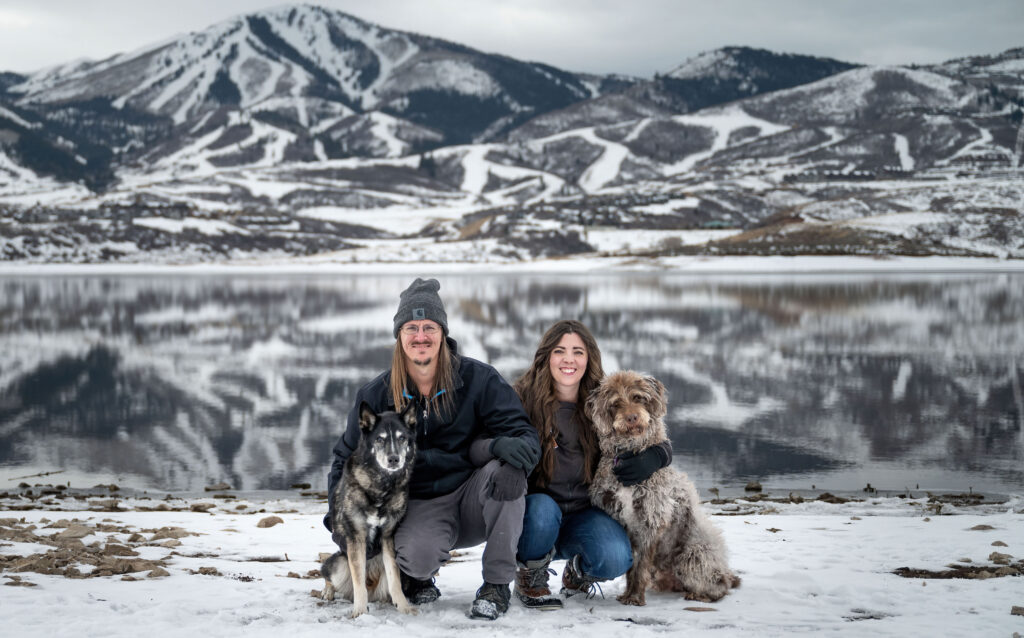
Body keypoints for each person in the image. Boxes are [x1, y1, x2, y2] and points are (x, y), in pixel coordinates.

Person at [324, 278, 541, 620]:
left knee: (506, 473)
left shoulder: (479, 380)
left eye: (429, 327)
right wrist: (337, 520)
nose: (420, 336)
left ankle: (496, 584)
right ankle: (420, 576)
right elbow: (344, 458)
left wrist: (520, 457)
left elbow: (523, 431)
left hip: (472, 496)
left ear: (442, 332)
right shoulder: (377, 394)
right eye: (411, 327)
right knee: (416, 554)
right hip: (420, 505)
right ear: (399, 336)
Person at [502, 319, 673, 608]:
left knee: (617, 557)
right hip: (536, 516)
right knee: (542, 511)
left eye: (578, 351)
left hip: (584, 513)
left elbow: (652, 429)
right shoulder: (520, 398)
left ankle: (578, 573)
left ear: (589, 357)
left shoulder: (601, 399)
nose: (569, 359)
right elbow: (485, 436)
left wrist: (658, 455)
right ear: (546, 356)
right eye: (560, 351)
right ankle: (531, 575)